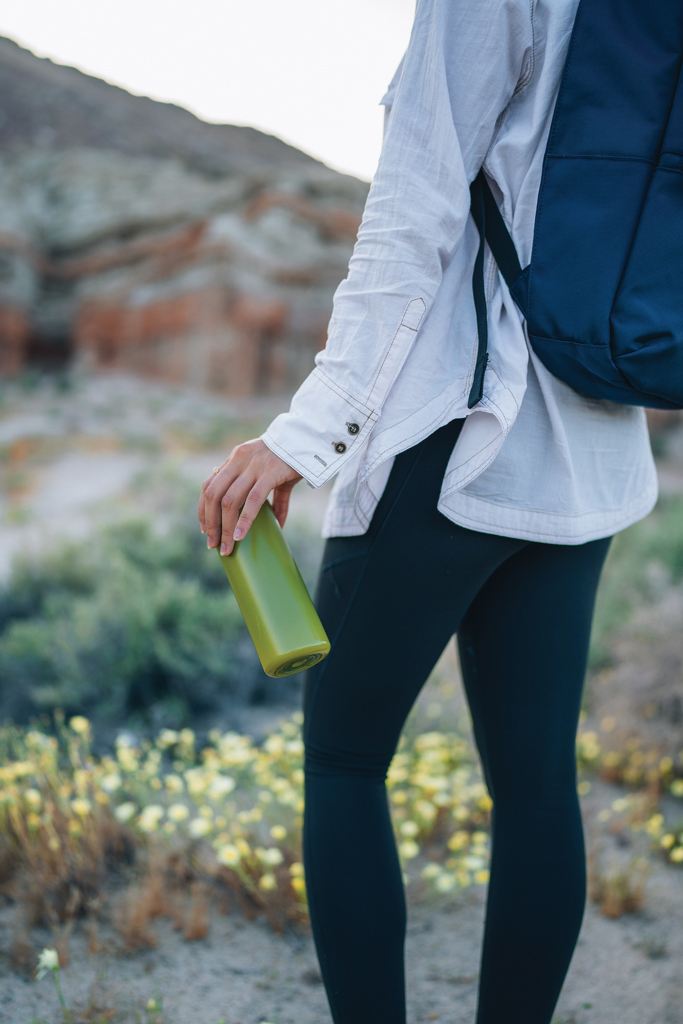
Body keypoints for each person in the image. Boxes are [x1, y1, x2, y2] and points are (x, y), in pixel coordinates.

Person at [197, 1, 657, 1021]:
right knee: (536, 785)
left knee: (346, 758)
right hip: (588, 441)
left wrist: (306, 433)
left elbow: (411, 216)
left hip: (453, 430)